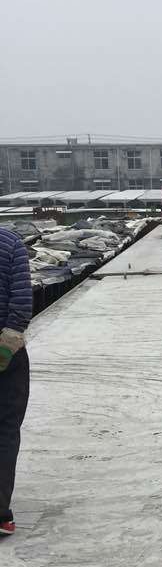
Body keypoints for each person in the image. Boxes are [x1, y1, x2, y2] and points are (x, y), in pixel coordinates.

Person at [0, 226, 33, 536]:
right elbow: (21, 302)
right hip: (6, 353)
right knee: (5, 431)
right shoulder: (10, 243)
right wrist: (5, 349)